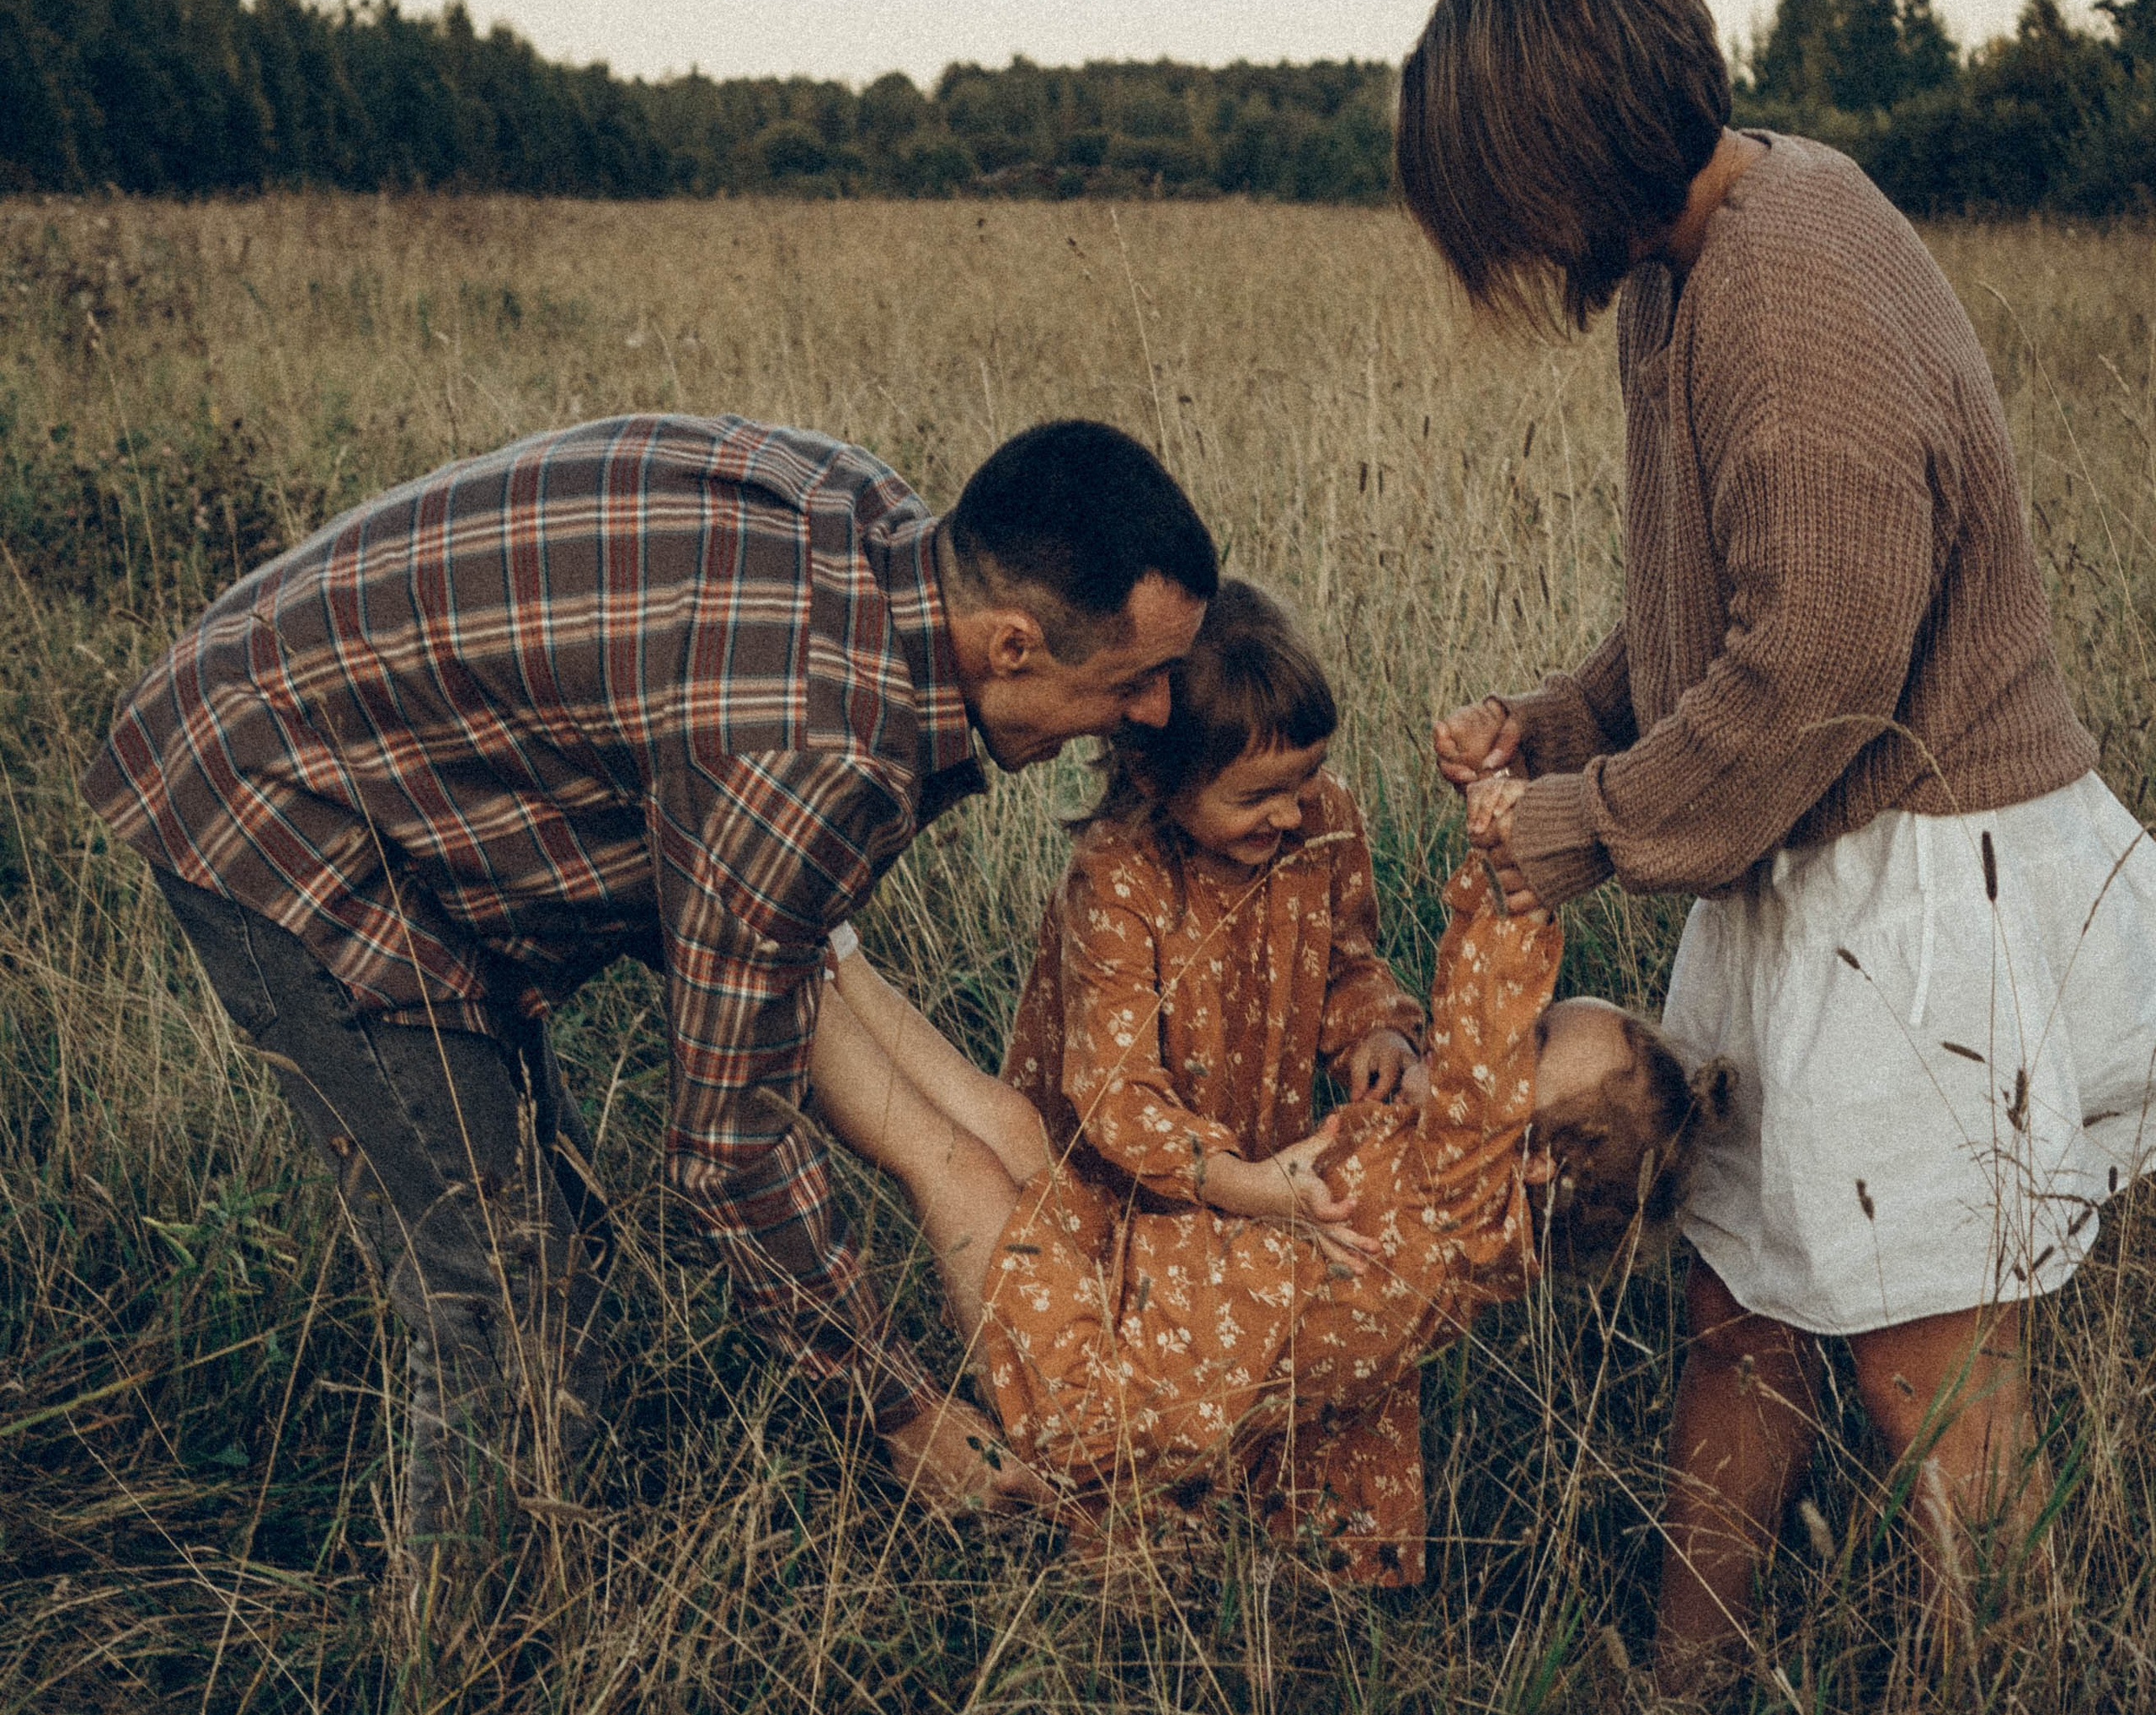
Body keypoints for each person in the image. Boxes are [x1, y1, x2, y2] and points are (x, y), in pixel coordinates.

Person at [1400, 0, 2156, 1684]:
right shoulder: (1683, 265)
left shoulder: (1786, 284)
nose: (1508, 249)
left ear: (1564, 155)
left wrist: (1579, 826)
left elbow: (1816, 669)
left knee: (1925, 1364)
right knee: (1737, 1302)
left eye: (1500, 199)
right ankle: (1683, 1692)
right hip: (1796, 870)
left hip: (1912, 883)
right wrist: (1561, 720)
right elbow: (1717, 606)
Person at [83, 413, 1217, 1542]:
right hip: (274, 800)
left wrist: (971, 1137)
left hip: (345, 742)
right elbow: (728, 1145)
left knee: (558, 1248)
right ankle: (462, 1648)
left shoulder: (878, 531)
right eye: (1137, 681)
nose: (1155, 715)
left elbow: (762, 937)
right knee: (511, 1307)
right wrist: (895, 1407)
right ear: (1011, 645)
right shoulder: (808, 749)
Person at [810, 848, 1721, 1582]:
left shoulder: (1464, 1207)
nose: (1503, 1033)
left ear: (1532, 1160)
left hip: (1100, 1389)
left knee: (954, 1168)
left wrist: (1513, 855)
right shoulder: (1448, 1193)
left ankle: (774, 990)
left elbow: (1485, 1004)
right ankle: (825, 947)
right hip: (1124, 1283)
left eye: (1534, 1039)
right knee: (1012, 1124)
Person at [994, 577, 1426, 1570]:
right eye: (1255, 797)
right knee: (1153, 1378)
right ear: (1155, 776)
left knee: (1299, 1328)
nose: (1290, 811)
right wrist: (1235, 1183)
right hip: (1130, 1177)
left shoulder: (1322, 824)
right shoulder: (1119, 875)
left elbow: (1349, 960)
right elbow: (1112, 1093)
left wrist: (1377, 1033)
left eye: (1306, 778)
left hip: (1264, 1155)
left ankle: (1316, 1570)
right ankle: (1148, 1580)